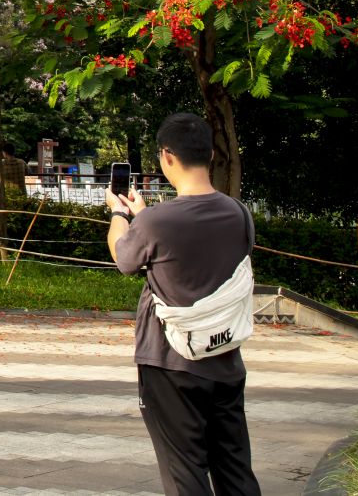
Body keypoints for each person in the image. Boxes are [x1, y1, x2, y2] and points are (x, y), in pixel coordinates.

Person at [108, 112, 260, 496]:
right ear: (210, 154)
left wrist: (119, 215)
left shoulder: (157, 221)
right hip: (225, 358)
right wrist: (145, 218)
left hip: (170, 364)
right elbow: (199, 250)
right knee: (235, 468)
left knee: (184, 472)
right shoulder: (239, 213)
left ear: (166, 157)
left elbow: (125, 259)